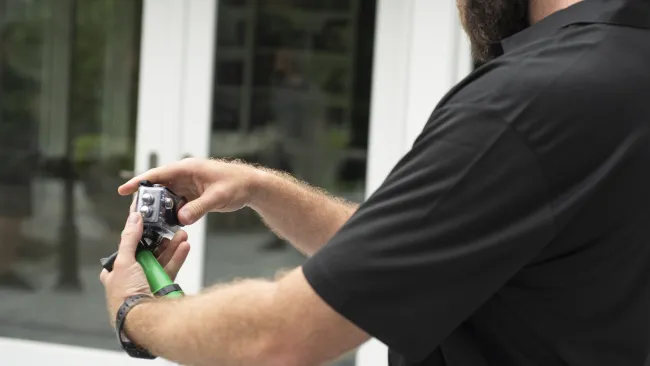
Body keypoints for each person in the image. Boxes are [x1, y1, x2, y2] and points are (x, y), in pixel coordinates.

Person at [100, 0, 650, 365]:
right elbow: (416, 254)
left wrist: (141, 312)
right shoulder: (624, 69)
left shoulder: (529, 99)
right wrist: (260, 187)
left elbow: (279, 338)